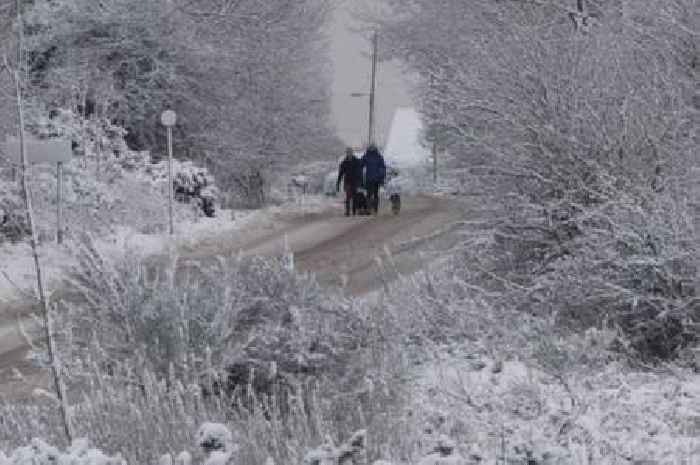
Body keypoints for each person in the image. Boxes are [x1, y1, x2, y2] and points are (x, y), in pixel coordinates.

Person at [336, 147, 362, 216]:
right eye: (348, 153)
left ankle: (354, 210)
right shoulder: (344, 162)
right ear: (346, 154)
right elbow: (341, 173)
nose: (349, 154)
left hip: (355, 181)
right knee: (348, 196)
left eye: (350, 152)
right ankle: (347, 211)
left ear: (352, 153)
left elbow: (359, 172)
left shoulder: (356, 161)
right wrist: (338, 182)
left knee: (354, 197)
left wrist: (360, 181)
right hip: (347, 181)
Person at [361, 144, 386, 214]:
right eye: (371, 148)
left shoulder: (377, 157)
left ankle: (374, 209)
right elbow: (361, 165)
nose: (371, 150)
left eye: (372, 148)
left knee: (373, 194)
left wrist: (381, 176)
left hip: (374, 179)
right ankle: (370, 208)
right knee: (370, 194)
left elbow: (382, 167)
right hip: (371, 179)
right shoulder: (368, 156)